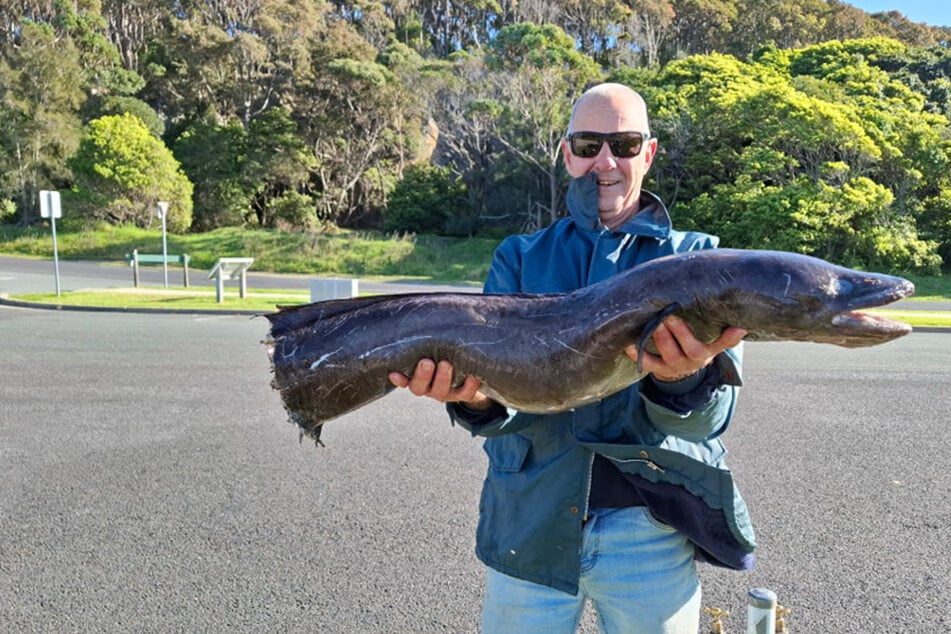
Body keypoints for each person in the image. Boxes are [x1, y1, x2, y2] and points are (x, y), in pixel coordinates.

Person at [388, 83, 755, 633]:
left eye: (625, 144)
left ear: (648, 154)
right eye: (588, 144)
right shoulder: (518, 257)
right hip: (529, 527)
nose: (605, 160)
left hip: (650, 532)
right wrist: (474, 399)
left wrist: (685, 380)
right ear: (567, 154)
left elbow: (712, 418)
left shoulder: (699, 259)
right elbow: (497, 407)